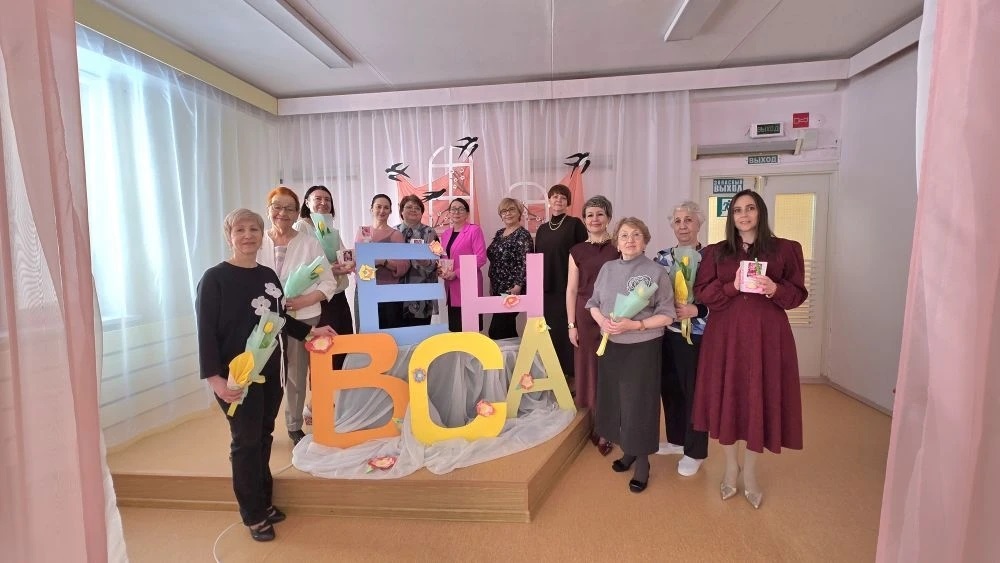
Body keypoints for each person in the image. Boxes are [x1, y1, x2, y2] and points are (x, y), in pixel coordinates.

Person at [196, 208, 336, 542]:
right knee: (245, 442)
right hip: (236, 377)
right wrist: (215, 380)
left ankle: (264, 501)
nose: (248, 235)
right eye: (240, 230)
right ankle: (253, 514)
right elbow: (205, 332)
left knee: (263, 435)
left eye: (254, 229)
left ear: (262, 236)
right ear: (229, 236)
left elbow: (278, 319)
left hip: (271, 372)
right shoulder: (214, 278)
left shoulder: (268, 275)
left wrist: (310, 332)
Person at [692, 189, 807, 509]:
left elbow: (797, 294)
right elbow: (703, 293)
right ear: (731, 217)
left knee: (759, 397)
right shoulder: (715, 253)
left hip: (767, 337)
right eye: (737, 210)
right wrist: (733, 286)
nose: (744, 215)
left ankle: (752, 473)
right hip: (725, 337)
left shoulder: (786, 249)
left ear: (761, 212)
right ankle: (732, 468)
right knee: (728, 398)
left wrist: (775, 288)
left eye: (750, 208)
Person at [587, 218, 674, 493]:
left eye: (636, 235)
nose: (630, 240)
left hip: (643, 346)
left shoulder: (656, 271)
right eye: (624, 235)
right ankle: (629, 450)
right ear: (617, 242)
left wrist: (635, 325)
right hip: (611, 345)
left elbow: (667, 315)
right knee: (617, 401)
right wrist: (602, 321)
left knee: (640, 403)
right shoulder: (607, 268)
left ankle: (643, 460)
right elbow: (593, 303)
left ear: (645, 240)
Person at [257, 186, 337, 445]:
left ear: (296, 212)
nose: (283, 213)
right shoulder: (257, 241)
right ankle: (259, 426)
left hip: (303, 317)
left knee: (296, 374)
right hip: (263, 318)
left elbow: (328, 282)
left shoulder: (309, 242)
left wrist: (304, 300)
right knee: (262, 371)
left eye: (289, 208)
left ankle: (293, 425)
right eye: (277, 207)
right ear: (268, 209)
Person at [653, 201, 711, 476]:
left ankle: (695, 451)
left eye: (688, 220)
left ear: (699, 224)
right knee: (671, 388)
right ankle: (676, 440)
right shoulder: (662, 258)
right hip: (666, 333)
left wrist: (696, 310)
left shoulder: (711, 258)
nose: (683, 225)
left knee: (695, 394)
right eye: (678, 221)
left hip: (697, 336)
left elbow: (722, 297)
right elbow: (652, 293)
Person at [566, 195, 618, 455]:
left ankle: (614, 422)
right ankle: (600, 425)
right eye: (589, 215)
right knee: (591, 369)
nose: (595, 219)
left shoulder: (620, 246)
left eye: (600, 214)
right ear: (584, 220)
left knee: (612, 369)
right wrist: (571, 324)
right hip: (585, 317)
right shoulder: (576, 251)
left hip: (616, 315)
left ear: (608, 217)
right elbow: (571, 289)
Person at [294, 185, 355, 367]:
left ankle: (343, 380)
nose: (323, 202)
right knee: (324, 347)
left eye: (327, 199)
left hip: (338, 294)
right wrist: (329, 269)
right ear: (307, 203)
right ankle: (325, 383)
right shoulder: (301, 227)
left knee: (343, 341)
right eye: (318, 199)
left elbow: (342, 253)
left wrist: (349, 262)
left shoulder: (328, 228)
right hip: (319, 298)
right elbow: (300, 265)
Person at [534, 184, 587, 383]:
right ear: (549, 200)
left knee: (568, 331)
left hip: (568, 287)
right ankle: (554, 374)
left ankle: (572, 376)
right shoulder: (542, 229)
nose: (558, 200)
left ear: (568, 202)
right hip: (547, 289)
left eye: (563, 198)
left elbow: (583, 255)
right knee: (551, 331)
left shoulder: (575, 224)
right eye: (555, 196)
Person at [356, 194, 410, 330]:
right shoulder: (362, 232)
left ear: (390, 211)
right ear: (371, 209)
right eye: (378, 207)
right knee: (365, 333)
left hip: (388, 292)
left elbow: (404, 265)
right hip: (364, 289)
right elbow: (356, 258)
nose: (382, 211)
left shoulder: (396, 235)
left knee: (388, 335)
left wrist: (383, 262)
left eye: (386, 208)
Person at [486, 197, 533, 339]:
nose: (508, 213)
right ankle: (517, 353)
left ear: (519, 212)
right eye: (504, 211)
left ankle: (512, 354)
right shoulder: (500, 233)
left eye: (512, 209)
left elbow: (526, 262)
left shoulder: (523, 235)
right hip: (497, 287)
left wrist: (518, 286)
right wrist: (491, 284)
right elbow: (494, 260)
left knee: (497, 330)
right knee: (507, 329)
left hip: (512, 288)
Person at [438, 197, 487, 332]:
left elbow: (481, 258)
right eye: (453, 209)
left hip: (468, 284)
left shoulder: (474, 230)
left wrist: (456, 273)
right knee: (455, 328)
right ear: (449, 212)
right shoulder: (446, 234)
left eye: (461, 209)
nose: (457, 212)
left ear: (467, 213)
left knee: (470, 329)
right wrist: (441, 270)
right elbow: (443, 256)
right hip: (451, 285)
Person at [396, 194, 440, 326]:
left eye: (417, 208)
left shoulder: (430, 232)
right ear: (401, 211)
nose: (413, 210)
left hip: (422, 294)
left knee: (420, 333)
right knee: (396, 333)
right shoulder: (393, 232)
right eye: (409, 207)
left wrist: (425, 262)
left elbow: (438, 261)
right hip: (395, 293)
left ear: (421, 213)